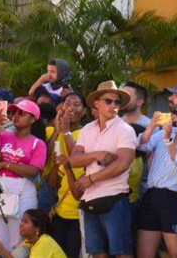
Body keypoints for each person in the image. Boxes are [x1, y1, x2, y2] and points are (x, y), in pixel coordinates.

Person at [69, 81, 138, 258]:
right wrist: (96, 155)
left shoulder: (125, 129)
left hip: (115, 197)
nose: (114, 105)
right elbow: (73, 160)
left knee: (122, 253)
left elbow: (123, 164)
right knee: (97, 253)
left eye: (117, 102)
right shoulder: (87, 129)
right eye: (108, 101)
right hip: (90, 198)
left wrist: (91, 179)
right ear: (97, 103)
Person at [135, 107, 177, 258]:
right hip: (152, 195)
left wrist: (167, 139)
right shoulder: (165, 132)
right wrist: (152, 125)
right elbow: (141, 145)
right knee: (144, 254)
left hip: (174, 199)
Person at [0, 99, 47, 252]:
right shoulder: (3, 136)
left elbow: (33, 170)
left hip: (23, 193)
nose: (16, 115)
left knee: (19, 241)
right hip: (1, 190)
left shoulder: (38, 143)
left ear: (33, 119)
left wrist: (6, 165)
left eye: (21, 113)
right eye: (14, 112)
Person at [46, 92, 86, 257]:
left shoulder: (87, 133)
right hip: (61, 209)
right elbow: (53, 179)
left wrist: (67, 131)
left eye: (76, 104)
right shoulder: (60, 133)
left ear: (84, 111)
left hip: (79, 211)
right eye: (67, 104)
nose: (70, 108)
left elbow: (77, 159)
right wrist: (58, 132)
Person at [0, 208, 68, 258]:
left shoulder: (44, 242)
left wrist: (2, 249)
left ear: (37, 228)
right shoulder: (28, 242)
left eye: (25, 222)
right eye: (22, 221)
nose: (21, 224)